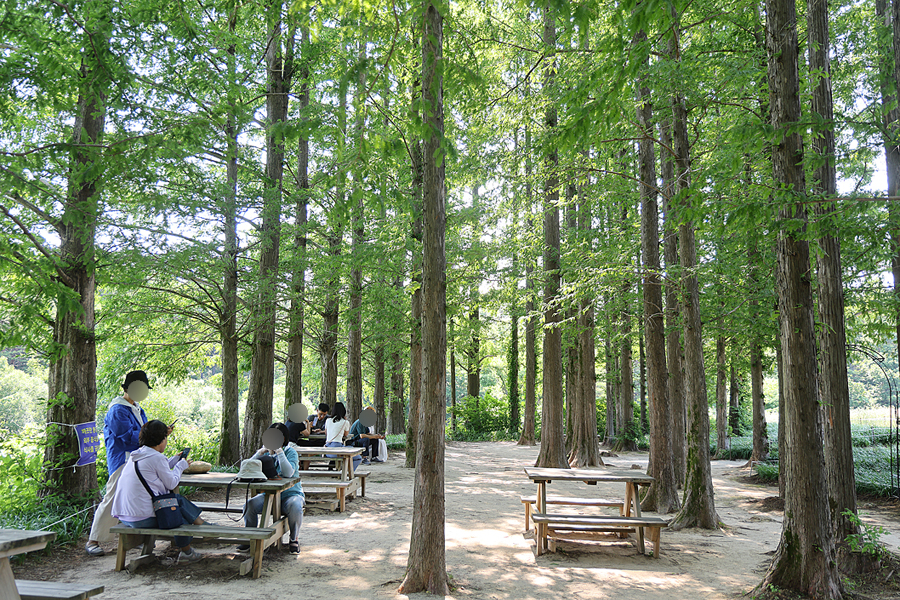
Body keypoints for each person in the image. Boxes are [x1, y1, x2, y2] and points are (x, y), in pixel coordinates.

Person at [110, 420, 205, 564]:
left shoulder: (136, 455)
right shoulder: (156, 457)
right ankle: (189, 551)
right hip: (141, 518)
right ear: (161, 439)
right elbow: (172, 483)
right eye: (165, 438)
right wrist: (180, 466)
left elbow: (154, 469)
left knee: (176, 504)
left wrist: (174, 461)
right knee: (178, 511)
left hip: (124, 515)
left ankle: (201, 525)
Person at [85, 370, 158, 556]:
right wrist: (152, 436)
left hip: (137, 460)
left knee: (141, 497)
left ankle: (140, 538)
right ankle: (93, 539)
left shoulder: (137, 408)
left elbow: (145, 433)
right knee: (112, 498)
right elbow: (126, 437)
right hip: (122, 460)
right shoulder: (118, 409)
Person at [240, 423, 305, 554]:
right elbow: (247, 469)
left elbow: (288, 473)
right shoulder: (265, 455)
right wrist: (259, 453)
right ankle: (250, 537)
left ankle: (294, 539)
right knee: (249, 505)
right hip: (268, 495)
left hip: (291, 494)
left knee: (296, 506)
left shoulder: (290, 452)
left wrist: (279, 451)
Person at [324, 402, 360, 471]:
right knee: (358, 457)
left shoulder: (328, 420)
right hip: (337, 449)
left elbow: (326, 433)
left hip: (327, 450)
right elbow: (346, 434)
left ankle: (336, 469)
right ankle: (346, 472)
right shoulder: (345, 422)